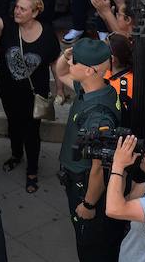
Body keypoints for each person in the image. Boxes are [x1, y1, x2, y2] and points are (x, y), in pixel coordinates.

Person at [0, 0, 60, 193]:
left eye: (22, 9)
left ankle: (32, 171)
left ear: (34, 13)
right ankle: (16, 155)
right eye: (16, 7)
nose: (17, 11)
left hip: (34, 95)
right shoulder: (8, 25)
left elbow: (55, 63)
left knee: (32, 132)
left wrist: (60, 88)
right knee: (14, 126)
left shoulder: (48, 34)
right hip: (8, 90)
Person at [54, 38, 123, 261]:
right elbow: (61, 72)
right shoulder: (95, 88)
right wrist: (66, 57)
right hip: (76, 176)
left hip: (83, 183)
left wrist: (88, 204)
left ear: (89, 70)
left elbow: (99, 168)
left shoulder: (98, 116)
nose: (69, 64)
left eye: (74, 62)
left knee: (90, 244)